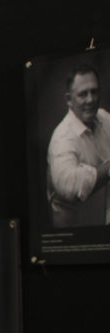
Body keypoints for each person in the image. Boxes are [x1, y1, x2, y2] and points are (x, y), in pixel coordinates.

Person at [46, 64, 110, 228]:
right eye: (83, 94)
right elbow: (71, 187)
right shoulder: (61, 139)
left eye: (94, 91)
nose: (91, 99)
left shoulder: (103, 117)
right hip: (75, 237)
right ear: (69, 100)